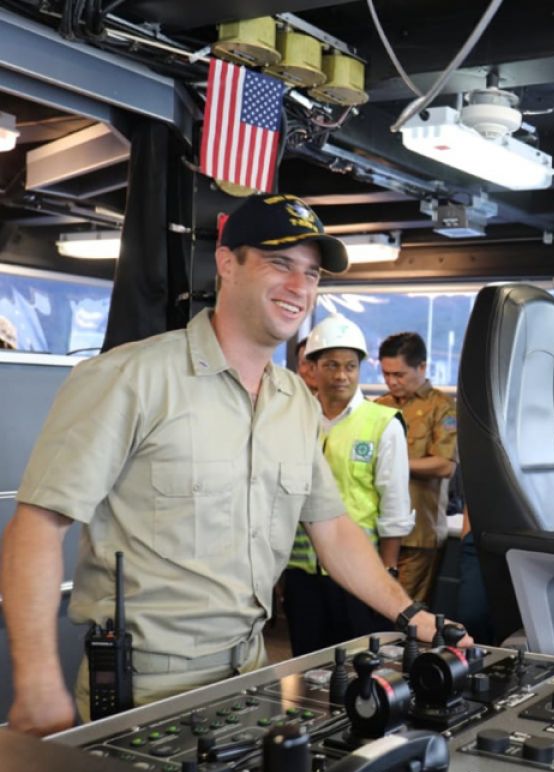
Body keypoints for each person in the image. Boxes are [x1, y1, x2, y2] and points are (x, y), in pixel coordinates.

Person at [0, 194, 469, 736]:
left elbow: (332, 528)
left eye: (312, 273)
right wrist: (36, 683)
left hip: (250, 670)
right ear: (227, 263)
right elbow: (36, 527)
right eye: (280, 264)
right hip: (143, 685)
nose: (299, 287)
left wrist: (411, 615)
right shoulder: (130, 378)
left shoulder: (295, 399)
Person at [283, 315, 415, 655]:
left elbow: (395, 505)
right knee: (306, 665)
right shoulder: (294, 420)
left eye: (350, 366)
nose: (341, 375)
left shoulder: (382, 423)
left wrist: (387, 569)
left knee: (361, 667)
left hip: (360, 570)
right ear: (311, 368)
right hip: (302, 573)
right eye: (331, 365)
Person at [375, 333, 457, 603]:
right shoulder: (379, 406)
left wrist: (393, 464)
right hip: (379, 526)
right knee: (371, 607)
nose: (391, 381)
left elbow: (444, 465)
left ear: (422, 367)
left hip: (419, 530)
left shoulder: (442, 408)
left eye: (399, 374)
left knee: (404, 611)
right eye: (386, 374)